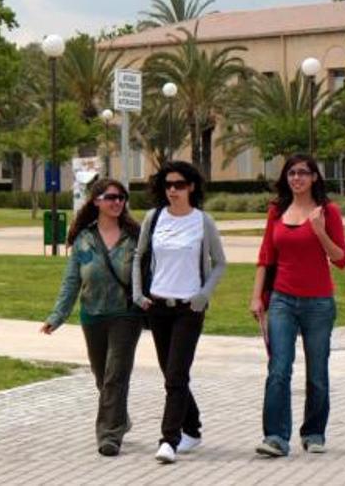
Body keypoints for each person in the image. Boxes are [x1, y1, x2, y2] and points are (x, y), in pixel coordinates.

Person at [250, 154, 345, 458]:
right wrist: (257, 297)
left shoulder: (328, 212)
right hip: (282, 300)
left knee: (317, 372)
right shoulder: (277, 211)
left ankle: (314, 432)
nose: (297, 178)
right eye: (292, 173)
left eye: (303, 173)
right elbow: (266, 256)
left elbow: (341, 259)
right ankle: (276, 437)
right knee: (278, 368)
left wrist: (319, 230)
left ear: (315, 177)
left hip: (318, 303)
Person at [131, 161, 227, 464]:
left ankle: (168, 440)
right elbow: (139, 256)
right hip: (158, 307)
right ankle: (193, 428)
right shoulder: (153, 217)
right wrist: (138, 293)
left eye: (179, 185)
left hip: (189, 308)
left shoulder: (203, 221)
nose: (173, 190)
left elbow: (220, 263)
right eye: (168, 185)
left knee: (175, 375)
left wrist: (203, 295)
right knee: (173, 374)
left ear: (192, 187)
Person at [41, 178, 144, 456]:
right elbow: (71, 281)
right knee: (102, 376)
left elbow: (150, 274)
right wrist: (57, 315)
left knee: (115, 375)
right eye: (111, 197)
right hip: (93, 315)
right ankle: (119, 418)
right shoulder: (84, 237)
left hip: (126, 314)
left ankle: (109, 436)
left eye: (122, 198)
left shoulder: (135, 236)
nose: (117, 202)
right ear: (96, 201)